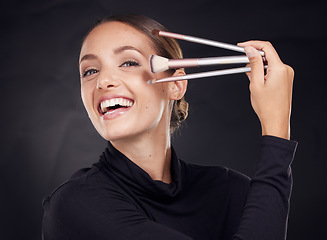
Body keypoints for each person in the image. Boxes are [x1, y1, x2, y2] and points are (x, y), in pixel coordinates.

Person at [42, 14, 297, 240]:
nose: (103, 81)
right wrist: (276, 127)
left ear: (176, 85)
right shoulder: (76, 205)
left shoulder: (231, 190)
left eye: (129, 62)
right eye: (90, 71)